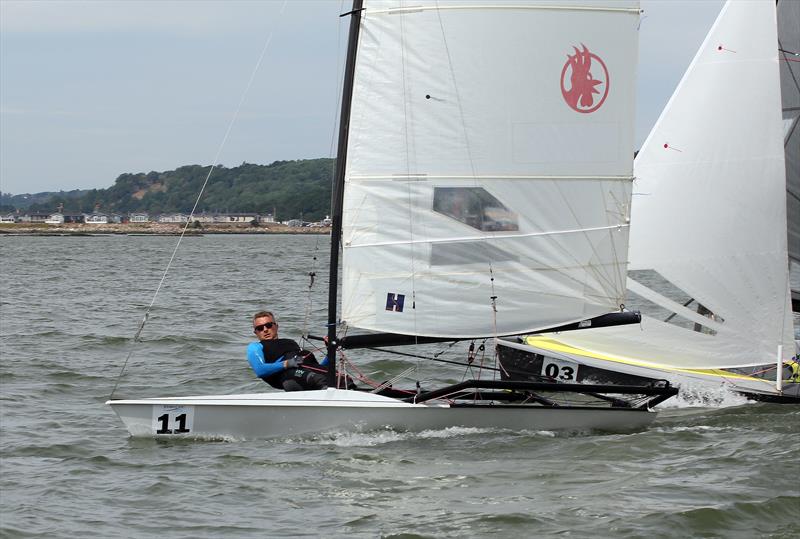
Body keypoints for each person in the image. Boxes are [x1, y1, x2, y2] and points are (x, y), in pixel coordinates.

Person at [246, 310, 328, 391]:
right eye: (260, 328)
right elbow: (260, 370)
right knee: (319, 379)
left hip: (307, 375)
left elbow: (316, 367)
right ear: (255, 332)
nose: (265, 330)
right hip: (290, 377)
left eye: (268, 325)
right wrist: (287, 363)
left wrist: (330, 351)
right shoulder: (255, 346)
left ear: (276, 326)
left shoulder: (290, 343)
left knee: (335, 376)